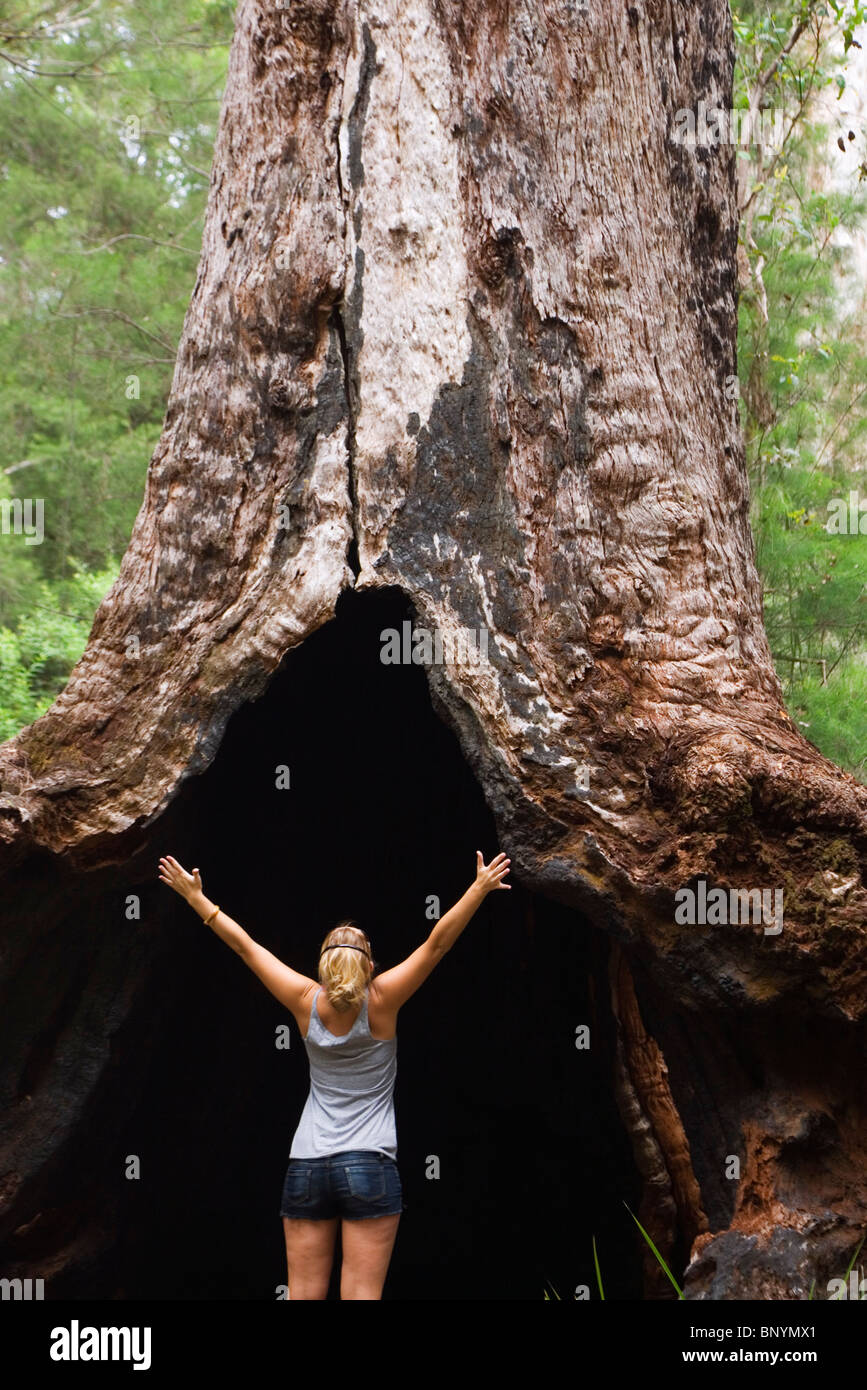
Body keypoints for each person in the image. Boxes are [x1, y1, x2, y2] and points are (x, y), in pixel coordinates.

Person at [158, 849, 512, 1299]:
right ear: (369, 966)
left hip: (307, 1165)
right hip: (369, 1163)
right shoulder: (382, 1000)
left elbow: (247, 948)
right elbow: (436, 943)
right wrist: (478, 889)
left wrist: (196, 899)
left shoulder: (305, 1000)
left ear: (322, 968)